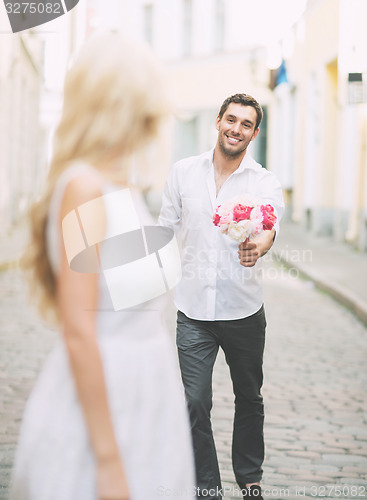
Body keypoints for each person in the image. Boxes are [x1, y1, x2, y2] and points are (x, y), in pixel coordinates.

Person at [10, 33, 195, 500]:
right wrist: (110, 460)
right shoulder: (84, 188)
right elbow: (79, 328)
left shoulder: (122, 188)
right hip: (104, 404)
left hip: (146, 399)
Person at [158, 93, 285, 500]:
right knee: (195, 401)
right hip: (192, 310)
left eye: (246, 124)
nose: (236, 129)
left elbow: (269, 226)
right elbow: (164, 229)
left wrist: (260, 246)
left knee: (249, 396)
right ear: (218, 121)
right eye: (231, 120)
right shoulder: (182, 173)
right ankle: (207, 487)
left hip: (243, 310)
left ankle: (250, 477)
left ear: (254, 132)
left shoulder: (262, 181)